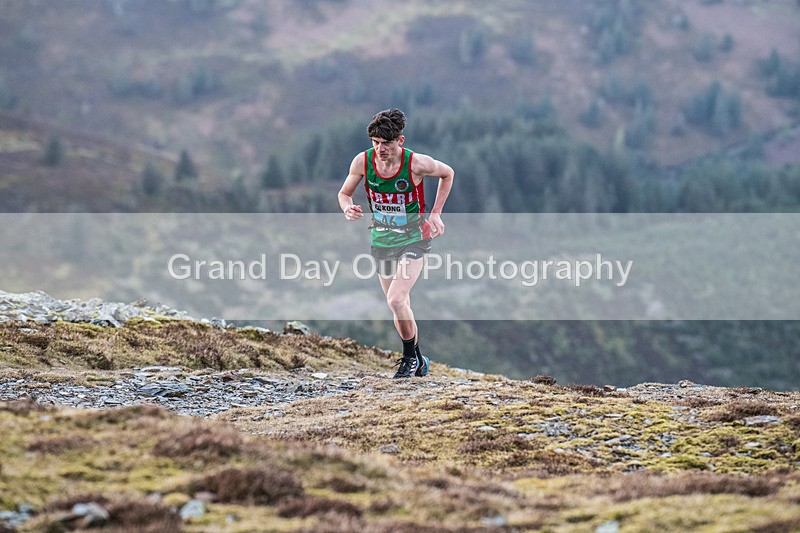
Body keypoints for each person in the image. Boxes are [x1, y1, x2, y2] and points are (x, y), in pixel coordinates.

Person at [338, 108, 454, 378]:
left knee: (396, 298)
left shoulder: (416, 163)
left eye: (386, 143)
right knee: (399, 306)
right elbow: (344, 193)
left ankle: (408, 359)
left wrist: (436, 213)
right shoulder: (362, 162)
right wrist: (347, 208)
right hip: (381, 239)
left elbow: (448, 173)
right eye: (375, 142)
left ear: (400, 140)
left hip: (414, 238)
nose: (380, 149)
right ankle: (419, 359)